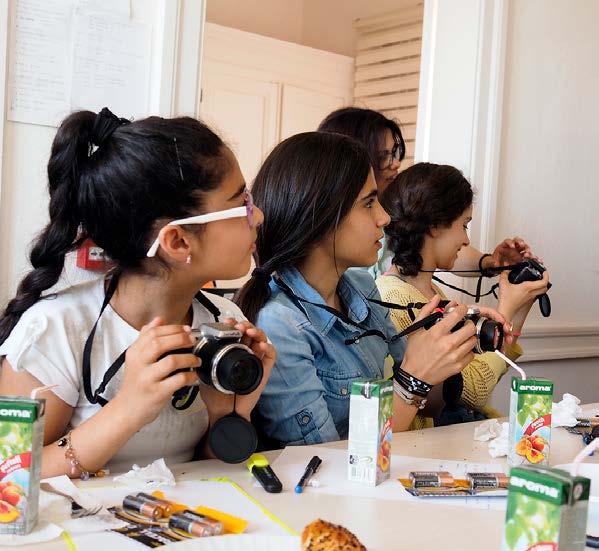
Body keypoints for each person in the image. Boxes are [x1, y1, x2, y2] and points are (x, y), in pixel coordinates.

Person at [0, 108, 275, 477]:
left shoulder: (224, 323)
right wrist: (128, 409)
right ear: (178, 241)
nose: (256, 216)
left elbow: (209, 472)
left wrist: (229, 412)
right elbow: (10, 474)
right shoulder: (56, 330)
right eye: (240, 203)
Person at [236, 131, 510, 447]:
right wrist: (412, 381)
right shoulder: (280, 324)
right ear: (321, 218)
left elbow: (431, 398)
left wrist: (451, 339)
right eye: (368, 203)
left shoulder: (361, 289)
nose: (384, 217)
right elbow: (326, 461)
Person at [377, 163, 549, 426]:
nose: (466, 241)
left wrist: (521, 304)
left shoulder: (429, 290)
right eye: (464, 225)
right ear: (435, 225)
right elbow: (472, 389)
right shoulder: (394, 298)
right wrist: (507, 309)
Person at [318, 107, 534, 279]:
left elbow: (433, 247)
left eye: (395, 153)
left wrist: (492, 262)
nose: (395, 164)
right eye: (384, 155)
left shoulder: (393, 208)